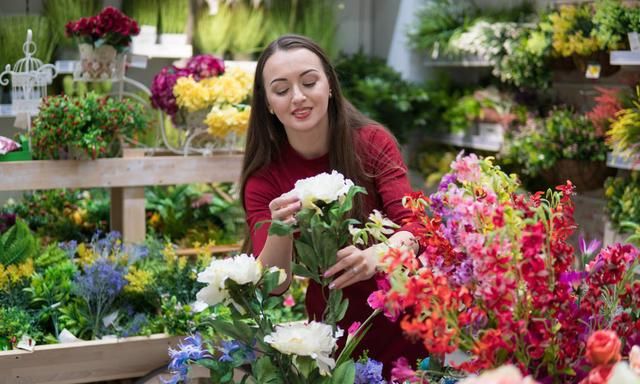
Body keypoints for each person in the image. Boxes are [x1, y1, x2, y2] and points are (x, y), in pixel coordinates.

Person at [240, 34, 426, 377]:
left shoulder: (371, 143)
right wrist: (279, 229)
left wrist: (377, 256)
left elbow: (415, 228)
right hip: (333, 332)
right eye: (281, 90)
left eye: (309, 82)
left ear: (329, 85)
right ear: (267, 103)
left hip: (405, 323)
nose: (298, 97)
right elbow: (273, 285)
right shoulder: (265, 179)